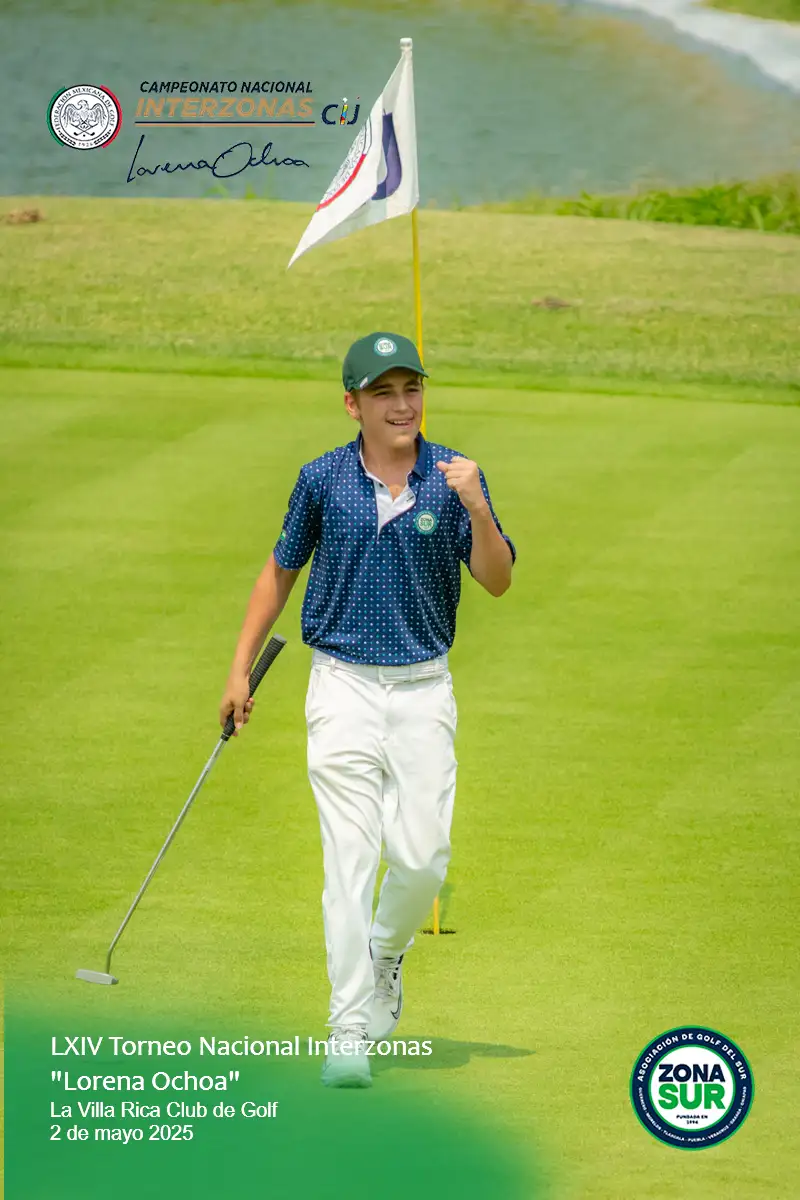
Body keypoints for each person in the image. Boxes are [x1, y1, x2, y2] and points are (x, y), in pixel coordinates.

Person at [219, 332, 515, 1088]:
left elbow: (497, 579)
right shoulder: (321, 479)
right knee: (348, 861)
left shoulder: (455, 478)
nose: (402, 405)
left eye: (411, 388)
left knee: (422, 859)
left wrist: (479, 508)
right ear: (352, 404)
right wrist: (239, 669)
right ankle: (346, 1027)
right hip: (342, 688)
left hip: (423, 690)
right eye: (383, 393)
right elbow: (279, 572)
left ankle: (386, 953)